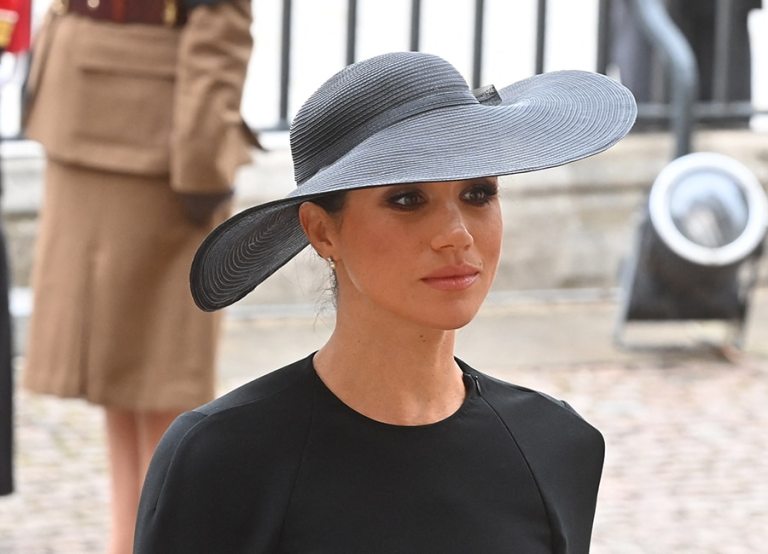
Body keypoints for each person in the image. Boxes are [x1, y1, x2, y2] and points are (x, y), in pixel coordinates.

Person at [134, 51, 637, 553]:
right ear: (322, 231)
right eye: (408, 199)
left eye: (478, 194)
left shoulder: (556, 444)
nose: (457, 234)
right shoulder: (222, 459)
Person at [21, 0, 255, 552]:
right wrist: (204, 165)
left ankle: (128, 541)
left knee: (131, 370)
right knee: (156, 370)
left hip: (86, 97)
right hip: (159, 133)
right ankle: (139, 541)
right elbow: (217, 26)